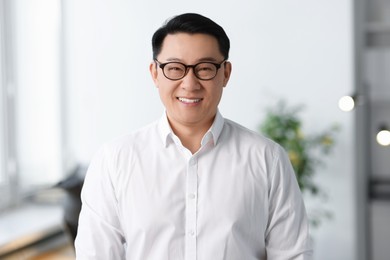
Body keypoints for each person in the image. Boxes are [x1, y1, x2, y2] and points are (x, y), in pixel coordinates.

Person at [75, 13, 313, 260]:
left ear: (226, 74)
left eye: (205, 68)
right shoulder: (114, 160)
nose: (190, 83)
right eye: (175, 68)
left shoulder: (267, 158)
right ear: (155, 73)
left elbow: (293, 255)